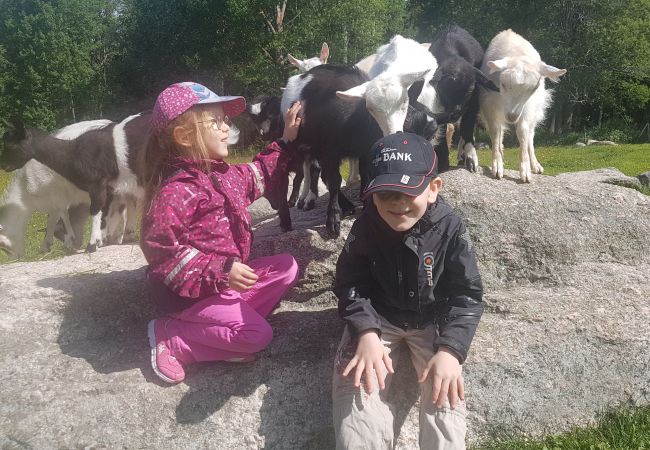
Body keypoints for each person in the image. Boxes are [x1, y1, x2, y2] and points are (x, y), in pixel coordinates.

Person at [138, 81, 301, 384]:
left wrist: (287, 142)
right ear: (185, 136)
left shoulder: (223, 175)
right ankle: (171, 336)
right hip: (189, 295)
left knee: (286, 268)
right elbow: (163, 251)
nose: (228, 126)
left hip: (221, 283)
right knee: (257, 335)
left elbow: (259, 174)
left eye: (226, 119)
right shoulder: (176, 192)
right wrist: (222, 271)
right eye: (216, 120)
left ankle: (220, 334)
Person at [332, 132, 484, 449]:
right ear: (370, 193)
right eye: (385, 193)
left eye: (408, 191)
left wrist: (451, 350)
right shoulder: (366, 226)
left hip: (433, 320)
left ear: (433, 189)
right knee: (356, 384)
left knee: (445, 392)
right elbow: (349, 282)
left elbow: (466, 294)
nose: (397, 202)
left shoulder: (450, 226)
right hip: (378, 316)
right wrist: (366, 331)